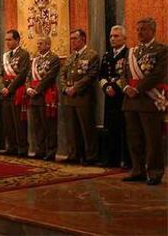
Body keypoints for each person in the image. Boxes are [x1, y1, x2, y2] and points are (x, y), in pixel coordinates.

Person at [118, 17, 167, 186]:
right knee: (134, 138)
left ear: (153, 31)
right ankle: (137, 169)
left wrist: (137, 89)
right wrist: (125, 88)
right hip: (130, 101)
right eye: (138, 29)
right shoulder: (132, 52)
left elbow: (158, 74)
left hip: (148, 100)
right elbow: (123, 74)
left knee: (152, 139)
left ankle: (154, 172)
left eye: (143, 29)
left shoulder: (161, 50)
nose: (139, 32)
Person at [59, 29, 99, 165]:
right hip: (69, 97)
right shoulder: (70, 57)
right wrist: (65, 88)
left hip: (83, 97)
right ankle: (73, 154)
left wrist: (75, 88)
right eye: (71, 39)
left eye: (75, 38)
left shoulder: (92, 55)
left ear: (83, 39)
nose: (72, 41)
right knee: (71, 129)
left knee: (86, 129)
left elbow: (91, 75)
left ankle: (90, 156)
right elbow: (62, 74)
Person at [98, 25, 130, 168]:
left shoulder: (128, 54)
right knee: (110, 127)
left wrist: (115, 87)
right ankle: (111, 159)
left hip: (123, 95)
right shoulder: (107, 55)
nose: (112, 39)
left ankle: (126, 160)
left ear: (124, 38)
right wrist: (106, 86)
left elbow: (126, 75)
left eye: (116, 36)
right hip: (109, 95)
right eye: (111, 36)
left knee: (125, 128)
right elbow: (101, 75)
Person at [26, 36, 60, 161]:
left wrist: (37, 90)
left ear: (48, 45)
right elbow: (28, 76)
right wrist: (28, 88)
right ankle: (40, 150)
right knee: (37, 126)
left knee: (49, 125)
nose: (38, 45)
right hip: (33, 97)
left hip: (46, 95)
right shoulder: (35, 60)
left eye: (41, 43)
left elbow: (49, 77)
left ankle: (51, 151)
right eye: (38, 43)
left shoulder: (54, 59)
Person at [0, 29, 30, 157]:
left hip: (16, 92)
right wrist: (2, 88)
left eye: (10, 39)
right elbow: (0, 74)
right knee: (8, 122)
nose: (7, 42)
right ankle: (10, 146)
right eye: (6, 40)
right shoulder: (5, 56)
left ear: (17, 40)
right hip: (5, 93)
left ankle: (22, 148)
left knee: (19, 122)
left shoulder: (23, 54)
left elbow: (22, 74)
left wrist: (9, 88)